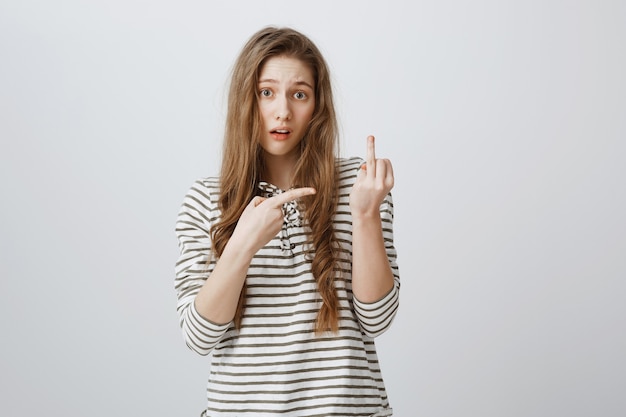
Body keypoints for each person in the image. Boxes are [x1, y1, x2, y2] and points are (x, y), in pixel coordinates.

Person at [175, 26, 400, 417]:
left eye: (299, 94)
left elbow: (377, 319)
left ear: (317, 106)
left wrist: (365, 215)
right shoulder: (206, 199)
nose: (283, 111)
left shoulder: (357, 185)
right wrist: (243, 244)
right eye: (267, 92)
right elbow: (199, 336)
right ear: (246, 100)